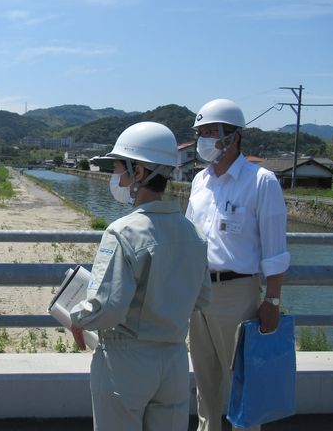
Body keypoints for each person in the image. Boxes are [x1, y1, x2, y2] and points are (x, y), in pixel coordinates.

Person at [70, 121, 212, 431]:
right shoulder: (194, 234)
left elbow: (107, 308)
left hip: (126, 361)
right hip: (174, 359)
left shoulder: (122, 232)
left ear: (139, 172)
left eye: (120, 168)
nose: (116, 178)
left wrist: (76, 317)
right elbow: (202, 298)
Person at [187, 98, 291, 431]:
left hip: (237, 292)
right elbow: (190, 239)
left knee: (240, 383)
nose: (203, 140)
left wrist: (272, 300)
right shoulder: (200, 182)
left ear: (233, 136)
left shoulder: (260, 181)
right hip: (198, 292)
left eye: (210, 132)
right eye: (200, 132)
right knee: (205, 383)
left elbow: (275, 250)